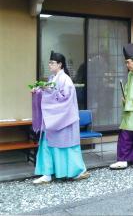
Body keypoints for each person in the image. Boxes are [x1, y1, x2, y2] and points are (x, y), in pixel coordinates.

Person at [32, 51, 90, 184]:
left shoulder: (66, 80)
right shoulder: (53, 78)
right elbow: (49, 92)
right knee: (47, 144)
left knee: (67, 147)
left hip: (64, 120)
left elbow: (65, 100)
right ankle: (47, 173)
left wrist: (47, 94)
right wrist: (38, 90)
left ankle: (76, 171)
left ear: (60, 64)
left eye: (52, 63)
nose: (50, 65)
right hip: (53, 118)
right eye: (49, 62)